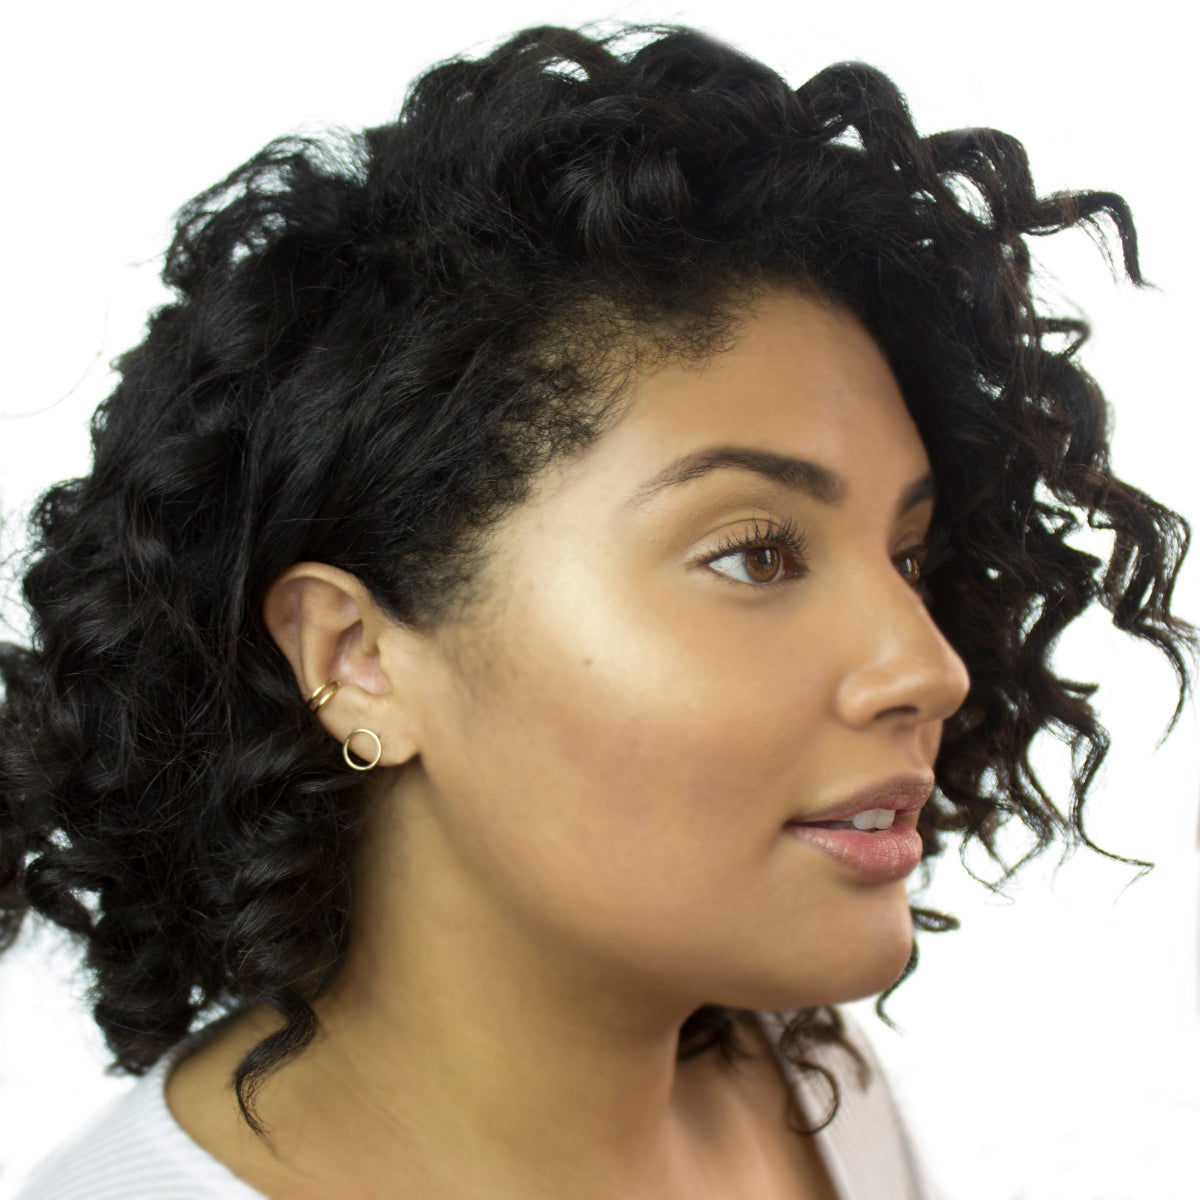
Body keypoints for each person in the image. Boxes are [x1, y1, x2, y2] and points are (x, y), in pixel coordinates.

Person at [1, 22, 1194, 1200]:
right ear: (358, 659)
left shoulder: (812, 1087)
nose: (928, 669)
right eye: (758, 555)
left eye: (909, 556)